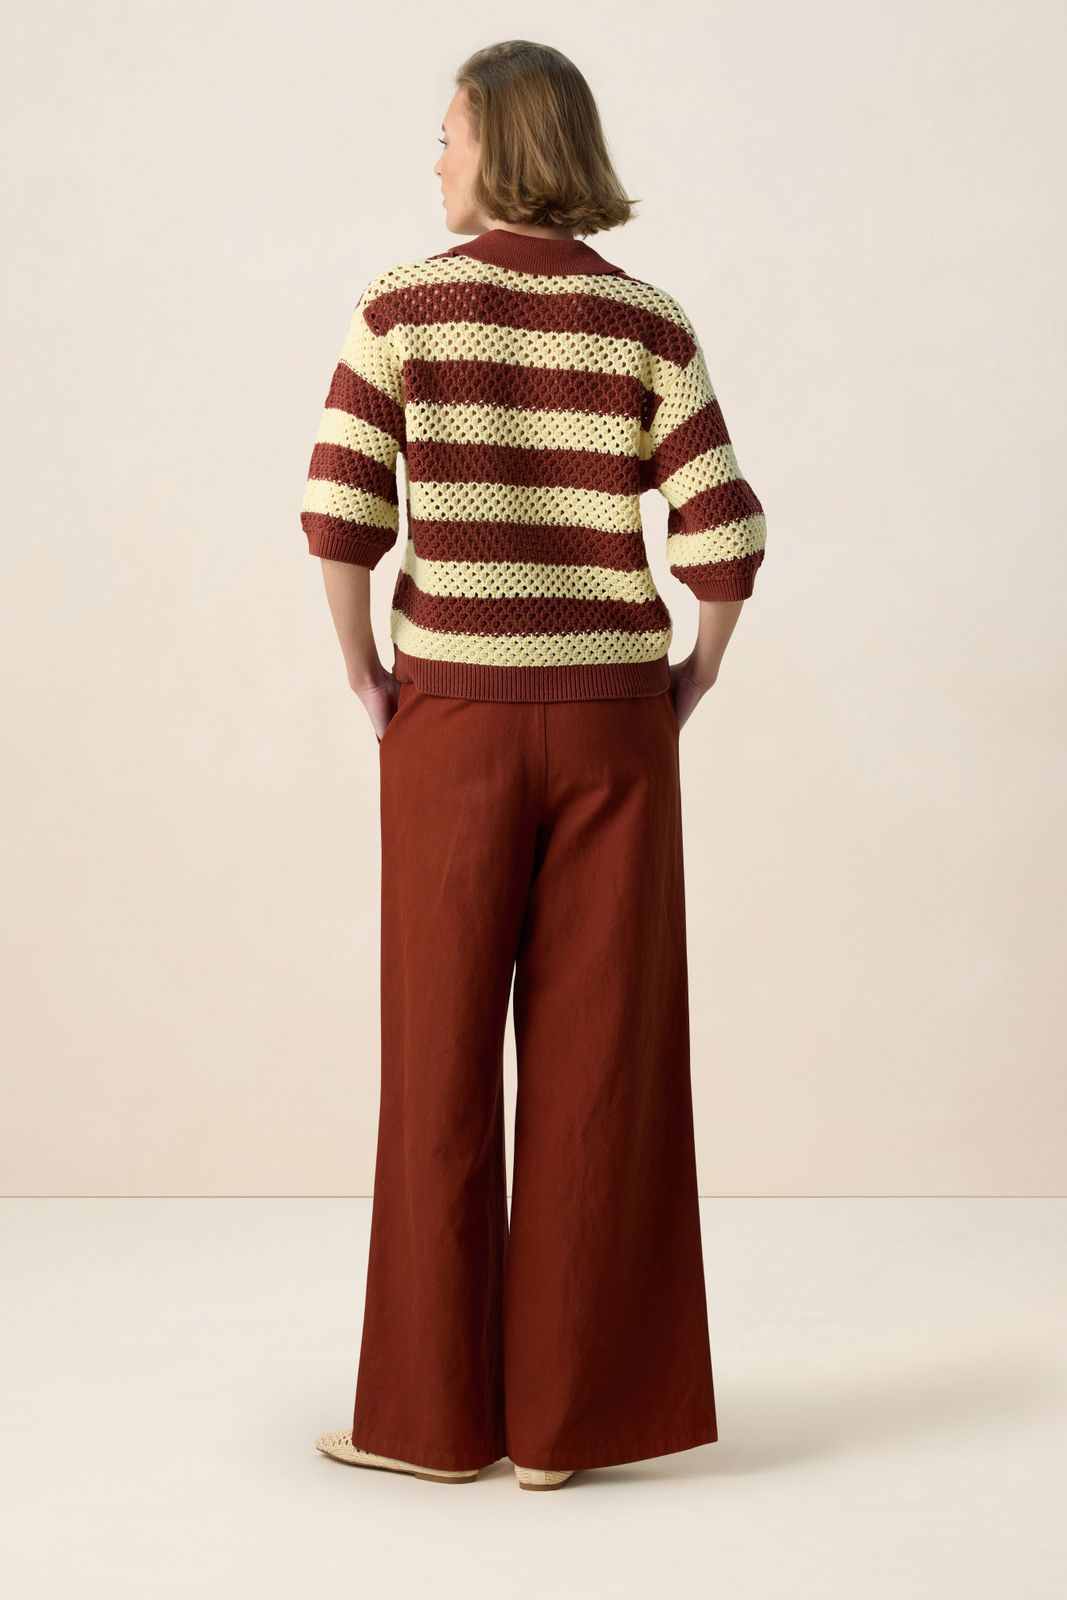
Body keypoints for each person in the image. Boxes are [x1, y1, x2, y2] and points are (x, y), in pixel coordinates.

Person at [302, 39, 767, 1492]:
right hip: (616, 723)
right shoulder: (646, 321)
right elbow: (725, 533)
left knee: (435, 1064)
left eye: (446, 133)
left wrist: (366, 676)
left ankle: (431, 1424)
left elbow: (338, 512)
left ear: (501, 146)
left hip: (452, 722)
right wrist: (690, 677)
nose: (434, 158)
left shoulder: (402, 306)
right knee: (600, 1066)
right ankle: (568, 1429)